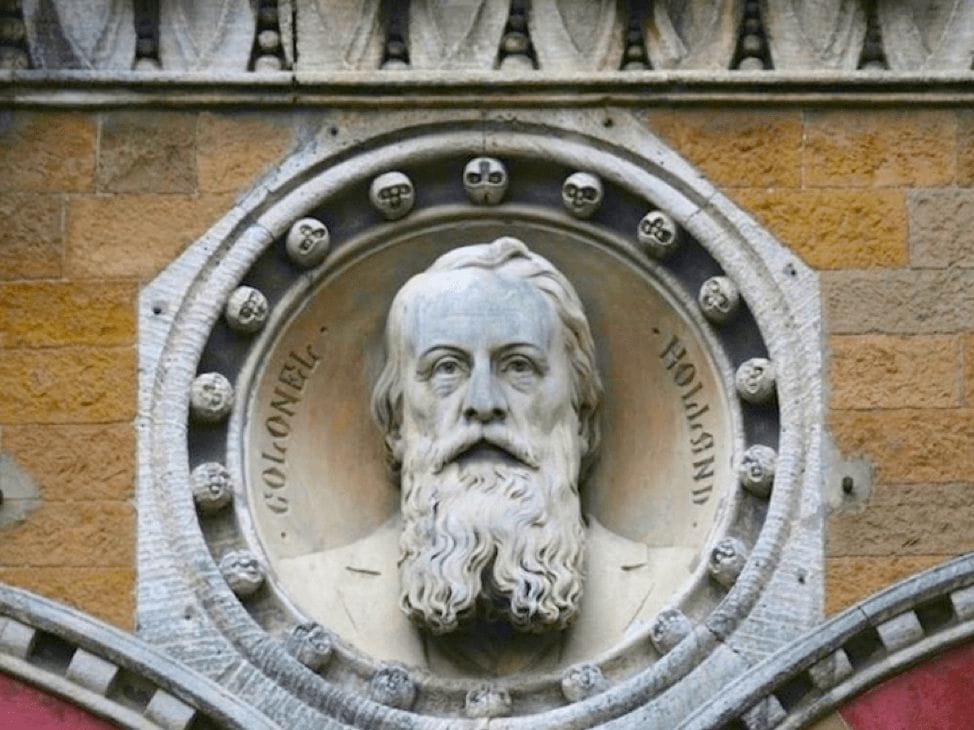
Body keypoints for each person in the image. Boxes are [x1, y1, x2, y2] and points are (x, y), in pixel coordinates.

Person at [276, 237, 695, 676]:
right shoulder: (317, 589)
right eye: (446, 368)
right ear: (397, 423)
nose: (482, 402)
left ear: (582, 417)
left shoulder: (661, 590)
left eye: (518, 366)